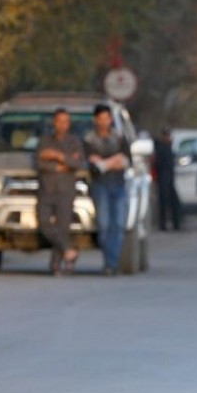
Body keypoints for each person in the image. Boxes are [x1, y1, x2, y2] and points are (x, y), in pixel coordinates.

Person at [35, 108, 85, 276]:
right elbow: (38, 163)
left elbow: (78, 164)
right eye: (59, 121)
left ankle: (56, 264)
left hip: (66, 190)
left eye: (66, 122)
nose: (62, 125)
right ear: (53, 123)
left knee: (63, 227)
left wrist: (57, 155)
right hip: (46, 189)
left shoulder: (74, 141)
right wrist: (61, 165)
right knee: (44, 224)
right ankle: (68, 250)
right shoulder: (44, 140)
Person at [83, 104, 131, 275]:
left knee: (118, 225)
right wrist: (114, 161)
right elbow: (93, 167)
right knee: (103, 225)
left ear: (111, 119)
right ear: (95, 120)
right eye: (100, 119)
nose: (104, 122)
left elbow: (126, 162)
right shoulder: (89, 140)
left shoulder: (119, 137)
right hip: (100, 186)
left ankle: (111, 263)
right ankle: (109, 261)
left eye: (107, 118)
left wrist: (104, 163)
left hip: (118, 185)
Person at [154, 128, 182, 231]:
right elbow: (159, 164)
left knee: (174, 202)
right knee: (164, 203)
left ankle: (175, 224)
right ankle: (164, 224)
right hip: (163, 179)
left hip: (169, 179)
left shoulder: (168, 147)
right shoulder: (161, 148)